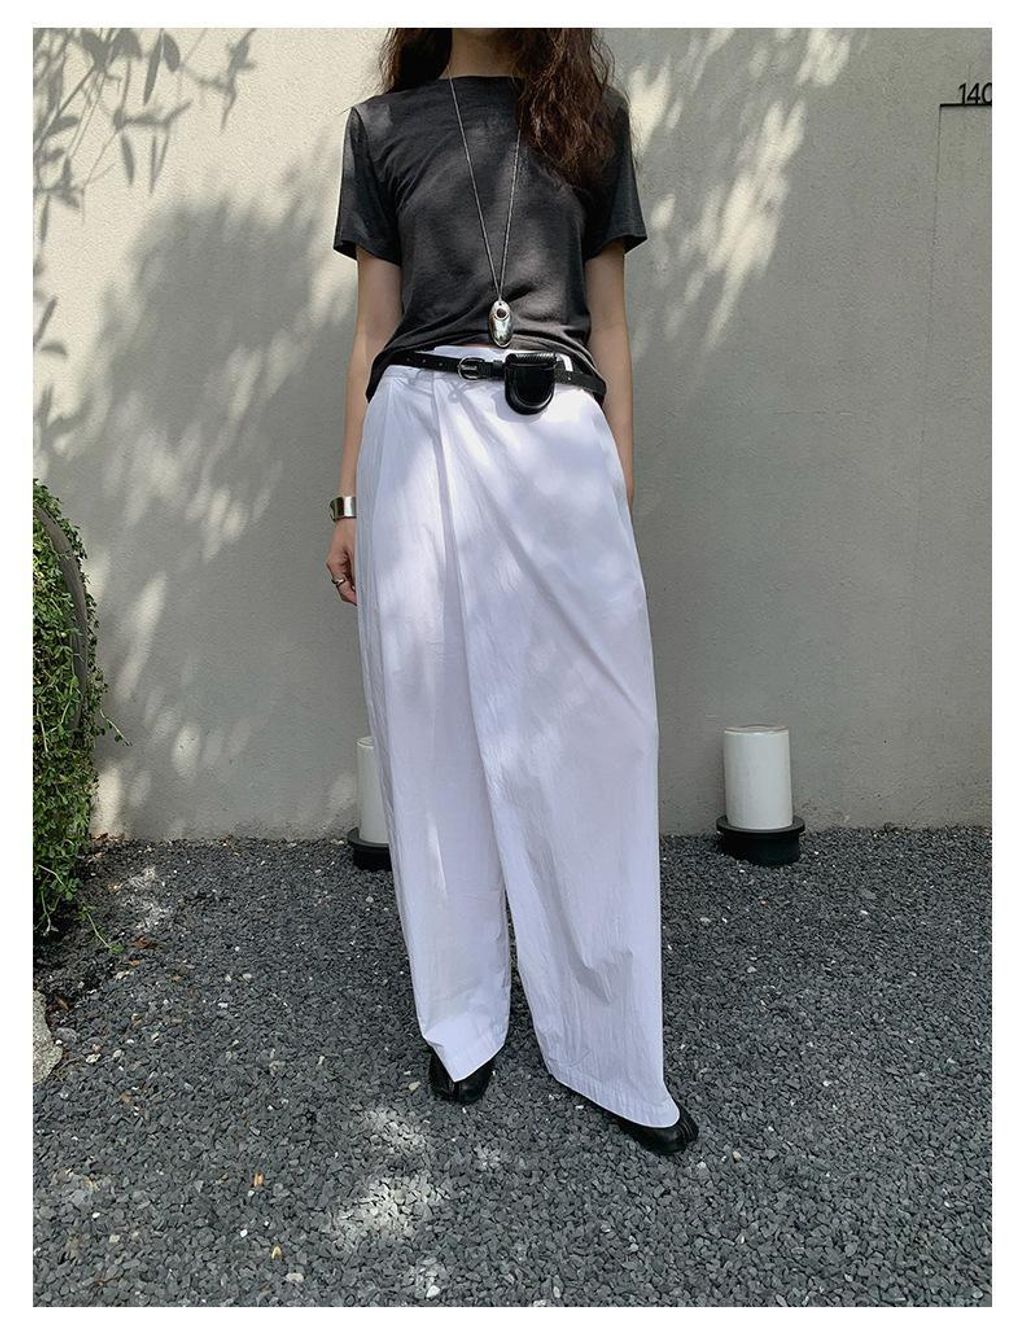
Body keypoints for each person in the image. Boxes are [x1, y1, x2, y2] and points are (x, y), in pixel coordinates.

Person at [326, 28, 698, 1156]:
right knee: (432, 729)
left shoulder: (588, 119)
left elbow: (611, 322)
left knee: (599, 736)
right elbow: (372, 333)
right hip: (416, 431)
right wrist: (347, 501)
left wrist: (615, 479)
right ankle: (462, 1018)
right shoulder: (381, 129)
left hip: (556, 430)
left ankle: (610, 1044)